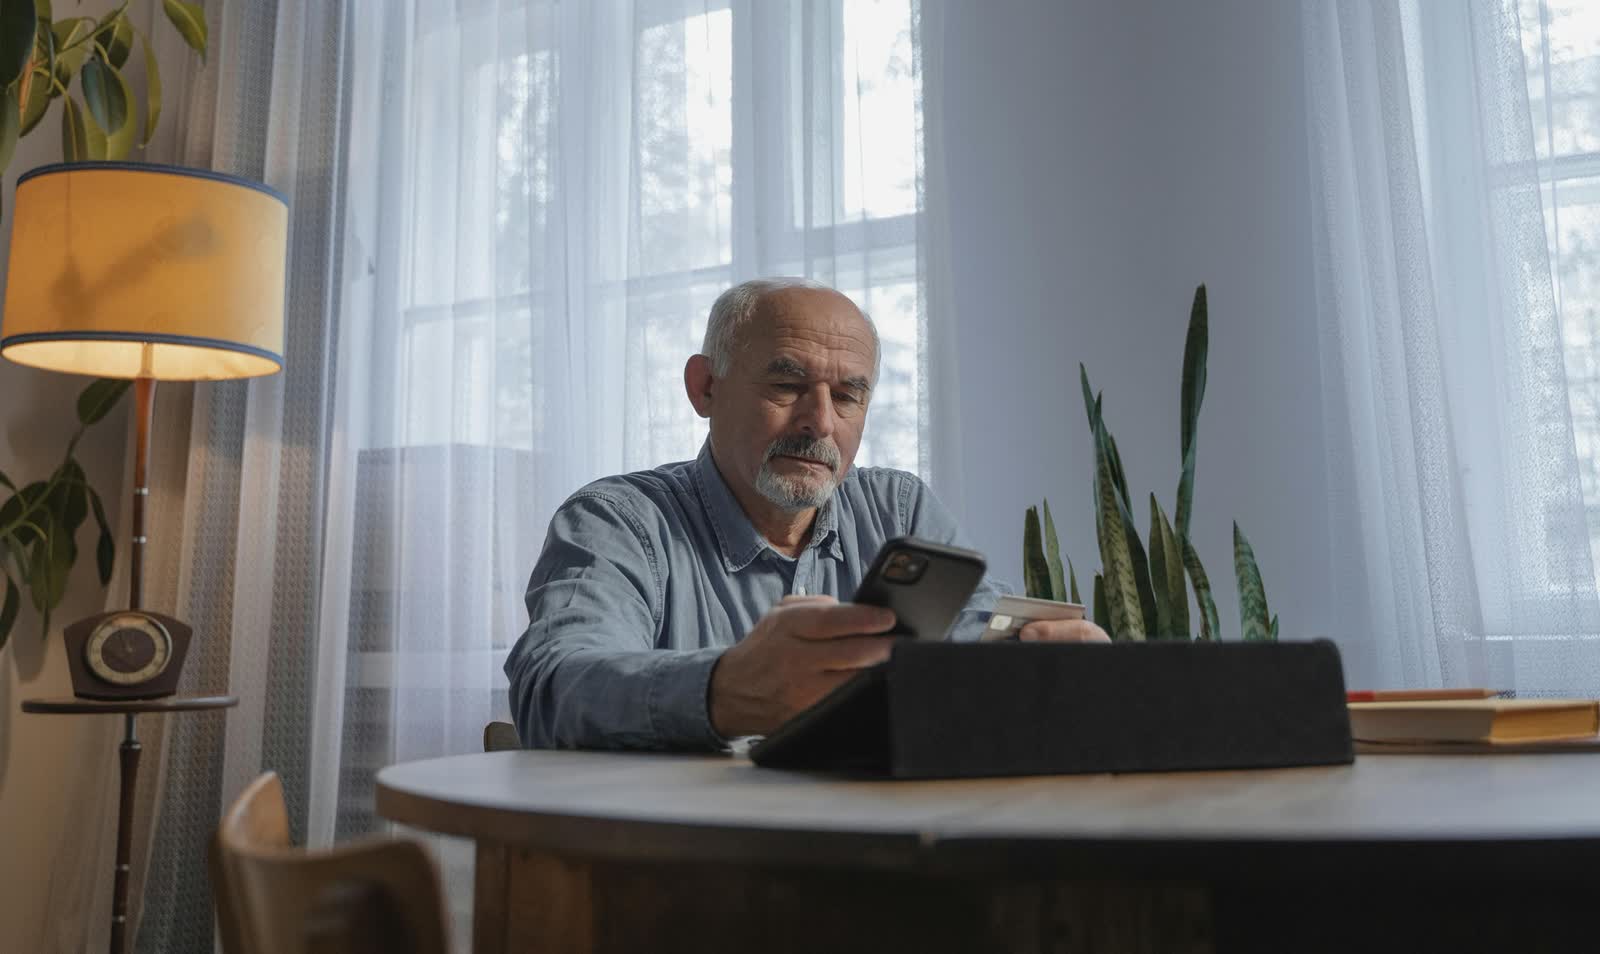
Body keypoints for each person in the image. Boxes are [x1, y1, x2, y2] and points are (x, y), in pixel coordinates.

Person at [504, 278, 1109, 749]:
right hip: (683, 866)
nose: (820, 423)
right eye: (787, 386)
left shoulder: (899, 509)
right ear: (705, 388)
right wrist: (728, 689)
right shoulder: (619, 521)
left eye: (848, 396)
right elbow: (554, 687)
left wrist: (1035, 661)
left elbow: (977, 636)